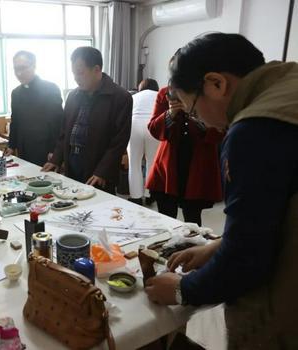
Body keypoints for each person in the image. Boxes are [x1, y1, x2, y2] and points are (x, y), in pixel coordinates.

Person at [144, 33, 298, 349]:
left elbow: (246, 260)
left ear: (216, 84)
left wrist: (181, 290)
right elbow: (273, 214)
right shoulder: (287, 87)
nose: (202, 121)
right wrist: (218, 246)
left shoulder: (254, 130)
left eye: (195, 110)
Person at [42, 47, 132, 193]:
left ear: (96, 70)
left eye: (80, 73)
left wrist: (102, 171)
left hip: (99, 166)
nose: (76, 78)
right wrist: (56, 160)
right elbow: (64, 133)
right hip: (72, 161)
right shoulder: (73, 96)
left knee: (98, 210)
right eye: (73, 73)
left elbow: (119, 142)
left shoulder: (120, 97)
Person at [145, 69, 223, 225]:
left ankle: (192, 247)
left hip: (198, 164)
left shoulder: (208, 95)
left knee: (193, 220)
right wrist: (171, 113)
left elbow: (220, 132)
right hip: (168, 165)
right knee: (165, 219)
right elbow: (153, 128)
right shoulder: (165, 93)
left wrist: (193, 113)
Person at [4, 51, 64, 166]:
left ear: (34, 66)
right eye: (16, 69)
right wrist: (11, 146)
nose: (19, 73)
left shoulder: (50, 88)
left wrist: (54, 151)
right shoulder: (16, 93)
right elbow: (15, 121)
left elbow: (57, 123)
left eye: (23, 68)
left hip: (45, 150)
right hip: (24, 149)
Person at [127, 78, 160, 205]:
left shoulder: (134, 96)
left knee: (134, 163)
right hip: (153, 125)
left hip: (134, 125)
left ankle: (136, 197)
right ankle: (150, 195)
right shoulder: (159, 95)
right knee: (152, 162)